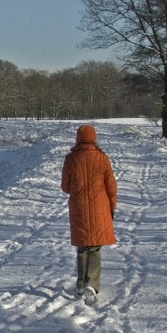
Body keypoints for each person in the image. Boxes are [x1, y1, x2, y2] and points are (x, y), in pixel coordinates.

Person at [61, 124, 117, 299]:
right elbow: (111, 187)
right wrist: (112, 207)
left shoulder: (70, 159)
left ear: (77, 138)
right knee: (95, 247)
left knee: (83, 246)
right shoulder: (102, 158)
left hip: (79, 207)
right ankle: (91, 284)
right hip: (100, 207)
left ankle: (80, 284)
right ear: (94, 138)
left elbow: (65, 187)